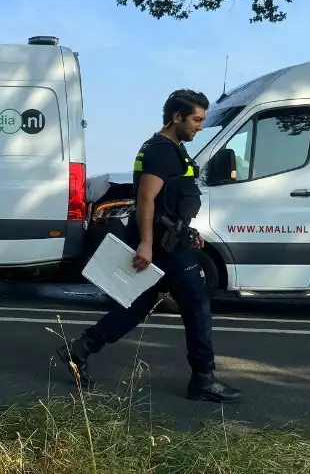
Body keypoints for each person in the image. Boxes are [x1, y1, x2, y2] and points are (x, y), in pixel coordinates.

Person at [55, 89, 241, 403]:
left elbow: (173, 200)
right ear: (177, 117)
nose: (199, 125)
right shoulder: (161, 150)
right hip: (163, 247)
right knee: (197, 305)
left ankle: (80, 348)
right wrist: (146, 244)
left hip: (173, 239)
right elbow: (145, 198)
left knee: (138, 305)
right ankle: (203, 379)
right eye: (196, 119)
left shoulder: (172, 149)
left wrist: (189, 231)